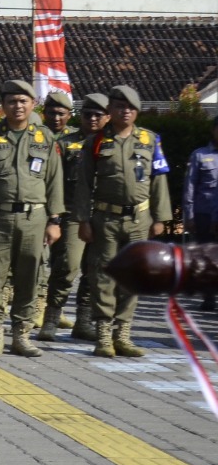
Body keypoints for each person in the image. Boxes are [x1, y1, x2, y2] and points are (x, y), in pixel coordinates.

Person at [0, 80, 64, 357]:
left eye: (23, 101)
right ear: (2, 106)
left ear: (33, 104)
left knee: (30, 277)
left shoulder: (45, 138)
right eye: (11, 101)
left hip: (35, 218)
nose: (17, 106)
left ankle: (22, 334)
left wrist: (55, 220)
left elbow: (55, 182)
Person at [78, 84, 171, 357]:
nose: (125, 111)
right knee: (104, 275)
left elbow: (159, 181)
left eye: (130, 107)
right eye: (120, 107)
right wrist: (83, 219)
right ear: (111, 111)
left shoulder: (150, 140)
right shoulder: (95, 142)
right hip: (105, 218)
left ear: (137, 111)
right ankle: (103, 335)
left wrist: (160, 217)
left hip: (139, 219)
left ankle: (123, 333)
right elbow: (83, 184)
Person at [43, 93, 108, 339]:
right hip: (72, 214)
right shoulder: (65, 144)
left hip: (102, 215)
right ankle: (51, 318)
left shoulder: (112, 143)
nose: (92, 119)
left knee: (96, 270)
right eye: (87, 114)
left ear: (107, 117)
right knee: (66, 267)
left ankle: (84, 321)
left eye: (97, 115)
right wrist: (54, 217)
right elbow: (53, 182)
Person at [184, 114, 218, 311]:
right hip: (204, 213)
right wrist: (189, 215)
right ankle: (208, 297)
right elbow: (190, 186)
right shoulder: (200, 155)